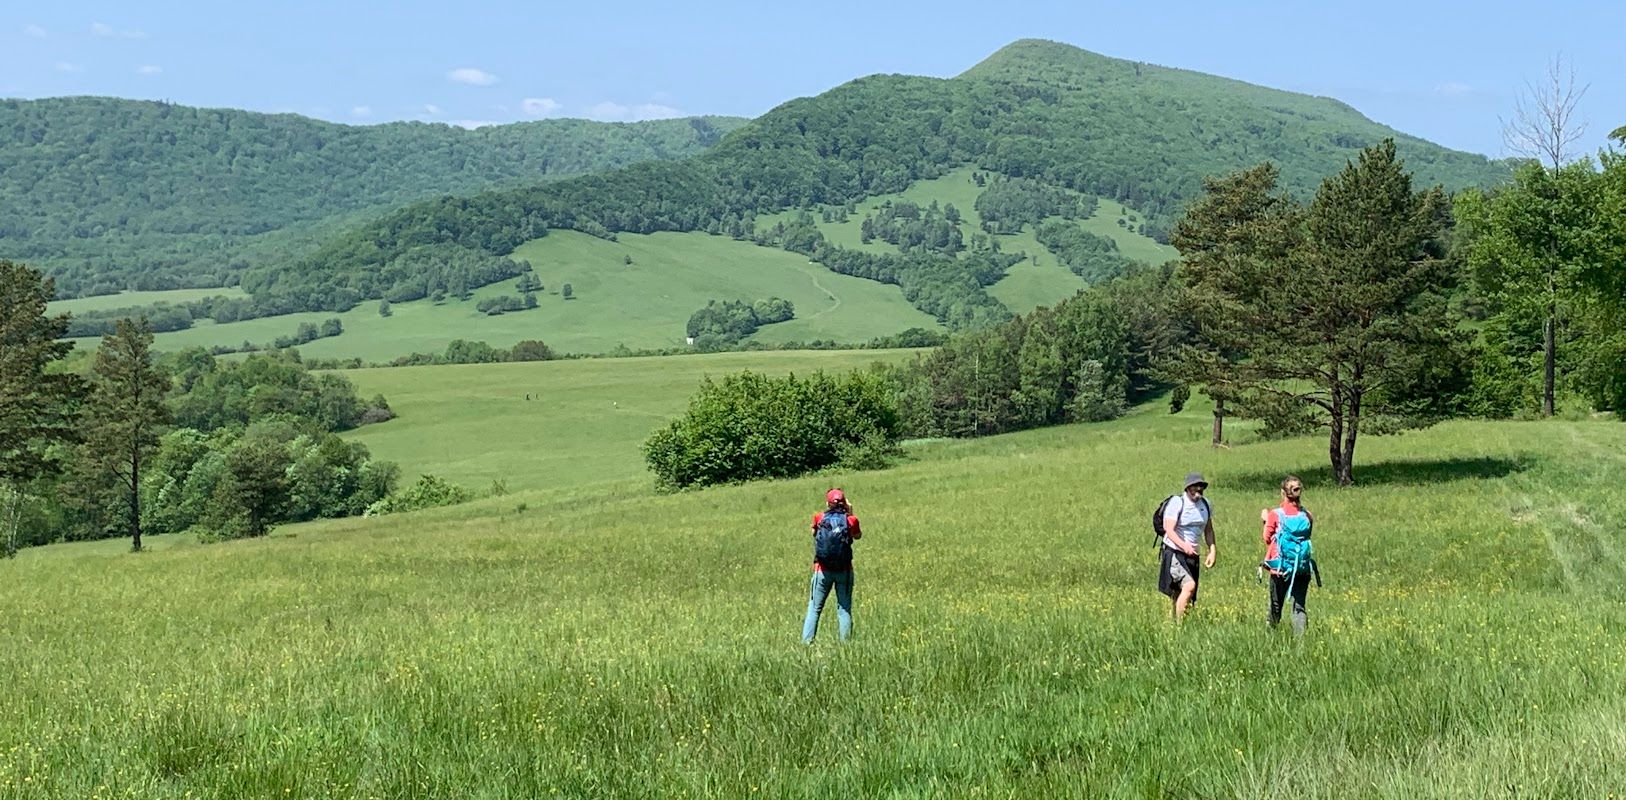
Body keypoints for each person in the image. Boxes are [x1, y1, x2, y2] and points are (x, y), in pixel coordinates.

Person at [802, 488, 861, 643]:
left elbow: (814, 534)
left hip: (821, 570)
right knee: (844, 608)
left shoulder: (819, 517)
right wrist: (850, 512)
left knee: (814, 608)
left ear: (828, 503)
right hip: (845, 571)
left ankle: (807, 643)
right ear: (844, 503)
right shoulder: (851, 520)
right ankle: (845, 644)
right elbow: (857, 535)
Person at [1261, 475, 1315, 635]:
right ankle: (1301, 644)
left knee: (1275, 606)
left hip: (1280, 568)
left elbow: (1267, 538)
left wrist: (1265, 520)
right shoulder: (1307, 515)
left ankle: (1270, 637)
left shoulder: (1275, 515)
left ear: (1283, 493)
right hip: (1302, 568)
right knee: (1299, 607)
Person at [1159, 472, 1216, 620]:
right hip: (1175, 551)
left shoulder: (1206, 505)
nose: (1198, 493)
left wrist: (1212, 550)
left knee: (1182, 594)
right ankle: (1180, 626)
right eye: (1195, 489)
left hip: (1192, 554)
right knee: (1189, 586)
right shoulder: (1178, 503)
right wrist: (1184, 545)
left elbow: (1208, 529)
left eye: (1201, 489)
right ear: (1187, 488)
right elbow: (1169, 529)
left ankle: (1172, 623)